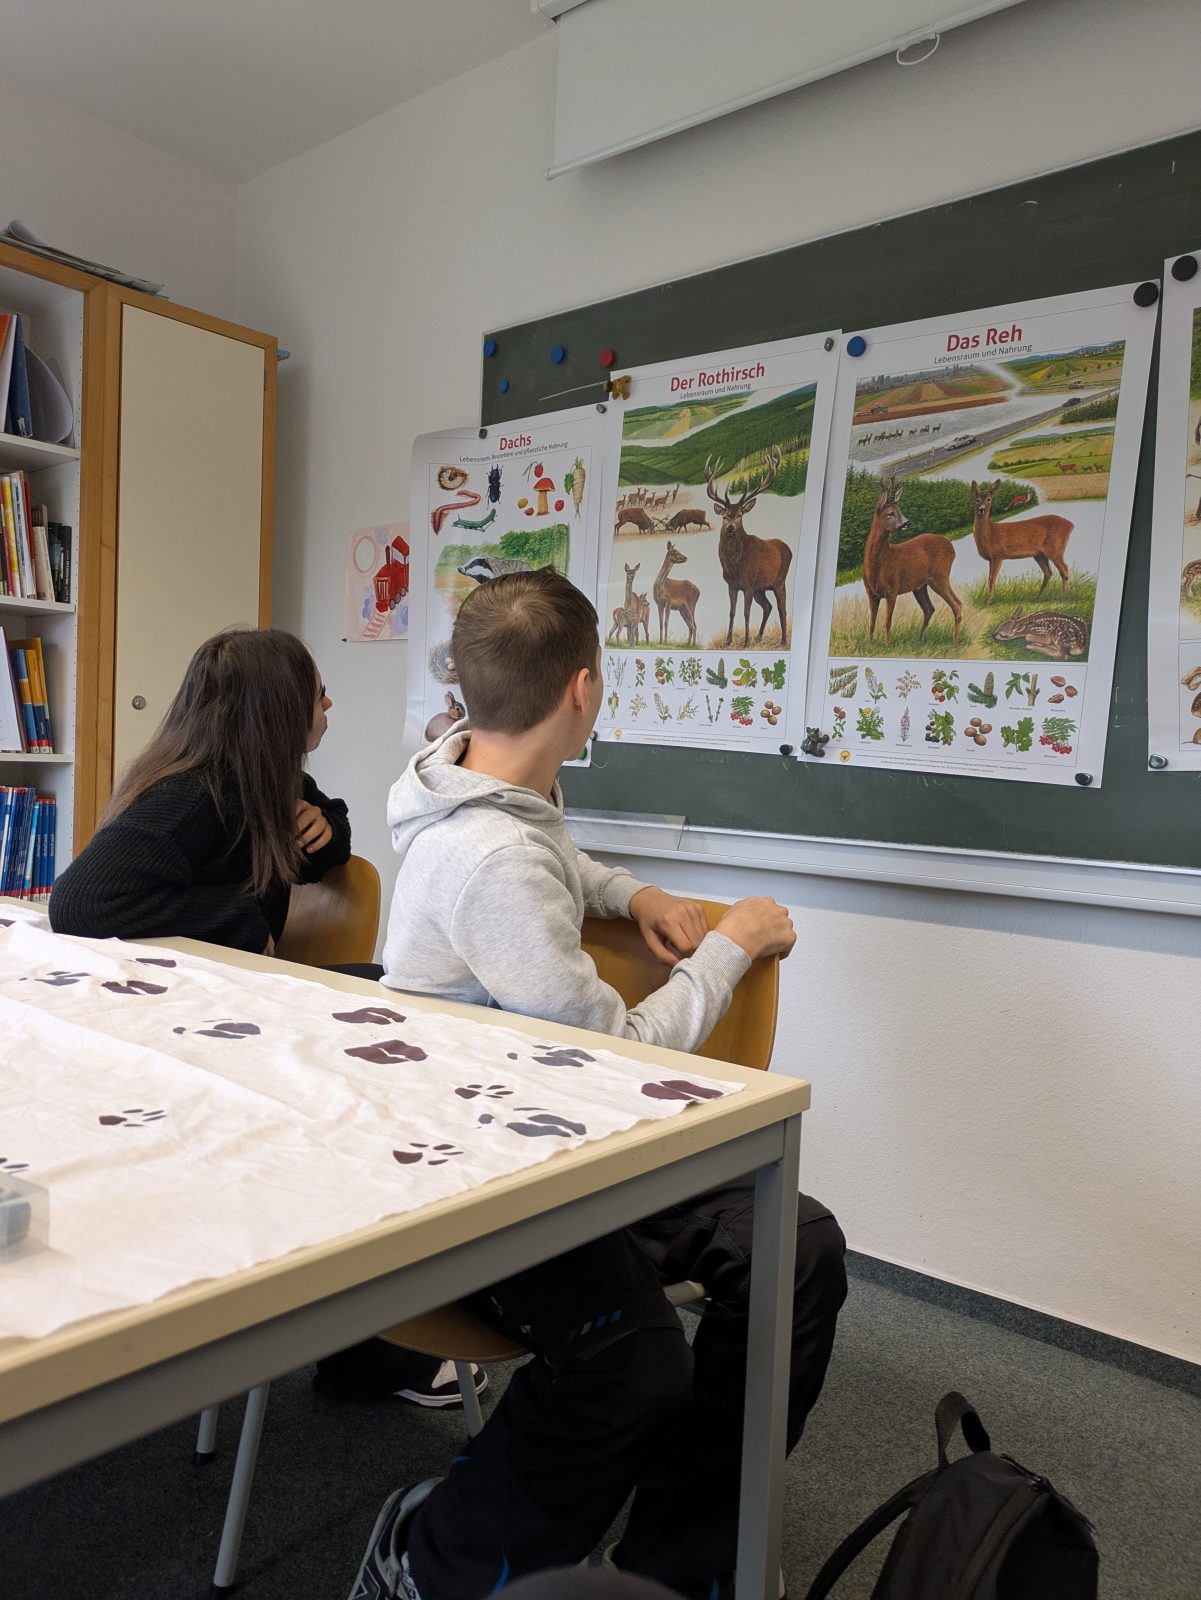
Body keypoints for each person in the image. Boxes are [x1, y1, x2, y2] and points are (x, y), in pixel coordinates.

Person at [352, 571, 846, 1600]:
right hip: (481, 1170)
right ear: (583, 690)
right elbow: (616, 1049)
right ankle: (430, 1555)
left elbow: (560, 863)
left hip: (565, 1141)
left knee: (795, 1244)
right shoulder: (487, 853)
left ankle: (678, 1563)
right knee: (631, 1364)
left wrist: (641, 892)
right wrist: (729, 949)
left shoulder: (486, 785)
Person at [49, 625, 484, 1413]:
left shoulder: (266, 780)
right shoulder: (196, 794)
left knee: (407, 1000)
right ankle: (376, 1346)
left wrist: (328, 832)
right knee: (412, 1015)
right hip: (190, 1034)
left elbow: (314, 845)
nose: (329, 705)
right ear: (278, 712)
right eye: (318, 695)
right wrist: (246, 923)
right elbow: (82, 902)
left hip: (215, 1019)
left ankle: (371, 1336)